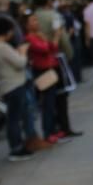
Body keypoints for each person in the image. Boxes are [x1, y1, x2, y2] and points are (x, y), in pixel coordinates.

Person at [33, 0, 80, 139]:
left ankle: (53, 128)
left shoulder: (33, 17)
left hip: (39, 60)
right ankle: (64, 127)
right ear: (48, 1)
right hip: (56, 57)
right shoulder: (53, 15)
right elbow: (63, 38)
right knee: (61, 95)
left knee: (48, 96)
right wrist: (69, 54)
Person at [0, 17, 33, 161]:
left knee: (13, 118)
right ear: (5, 31)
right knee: (14, 119)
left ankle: (18, 146)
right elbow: (20, 63)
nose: (13, 33)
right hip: (13, 86)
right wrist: (23, 51)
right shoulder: (2, 47)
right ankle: (16, 149)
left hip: (7, 86)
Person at [25, 11, 63, 144]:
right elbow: (45, 48)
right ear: (27, 25)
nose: (36, 23)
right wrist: (51, 38)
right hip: (41, 72)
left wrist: (51, 39)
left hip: (49, 69)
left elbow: (53, 48)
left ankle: (52, 129)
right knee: (47, 103)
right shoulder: (30, 38)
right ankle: (48, 132)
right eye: (33, 21)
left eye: (36, 20)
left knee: (52, 103)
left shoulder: (38, 35)